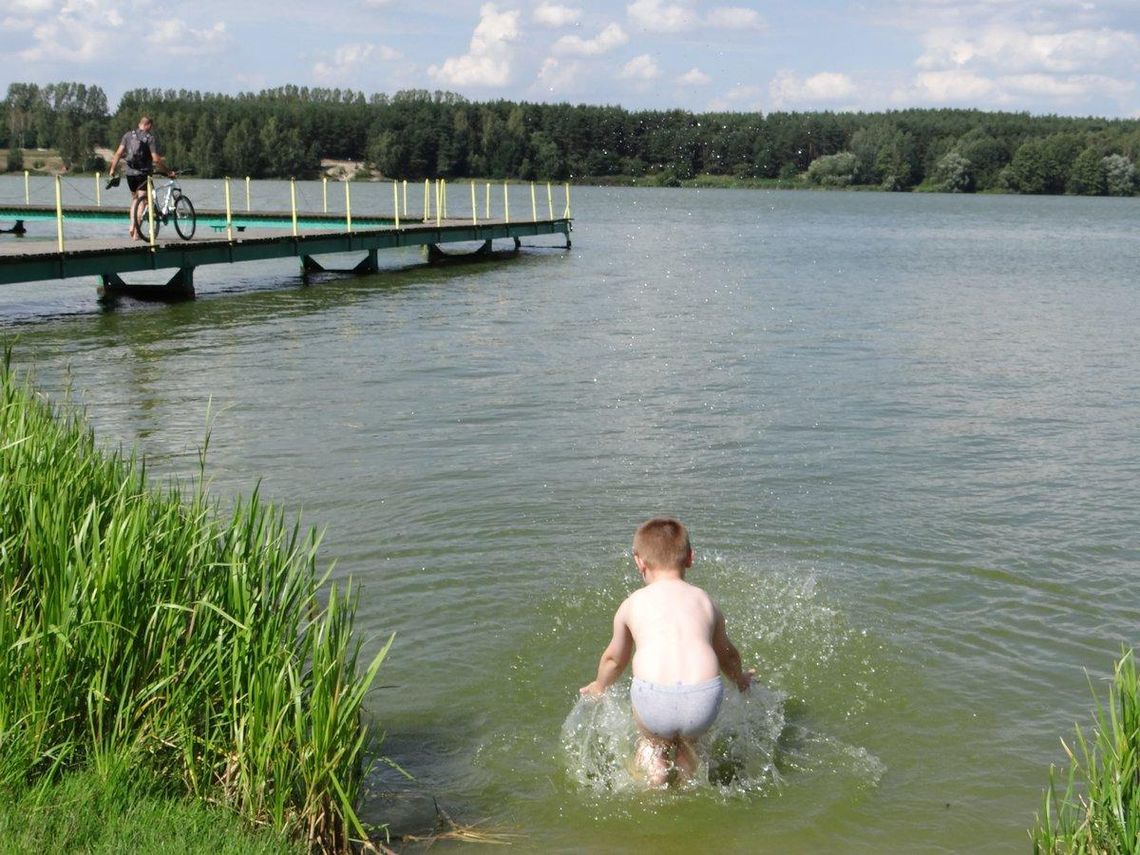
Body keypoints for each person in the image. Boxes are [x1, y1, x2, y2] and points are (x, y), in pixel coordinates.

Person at [580, 517, 753, 786]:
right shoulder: (706, 601)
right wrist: (739, 678)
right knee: (694, 748)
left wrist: (599, 685)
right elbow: (727, 653)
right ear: (690, 558)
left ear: (639, 561)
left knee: (652, 743)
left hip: (653, 699)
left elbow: (615, 659)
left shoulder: (632, 603)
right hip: (702, 696)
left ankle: (656, 772)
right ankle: (688, 768)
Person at [106, 116, 172, 239]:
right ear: (148, 125)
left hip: (129, 173)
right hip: (143, 173)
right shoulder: (149, 138)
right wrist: (167, 171)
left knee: (135, 200)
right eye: (150, 127)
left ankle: (131, 225)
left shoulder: (127, 135)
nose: (150, 129)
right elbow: (156, 159)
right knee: (143, 201)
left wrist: (112, 170)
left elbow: (118, 153)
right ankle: (136, 232)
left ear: (139, 124)